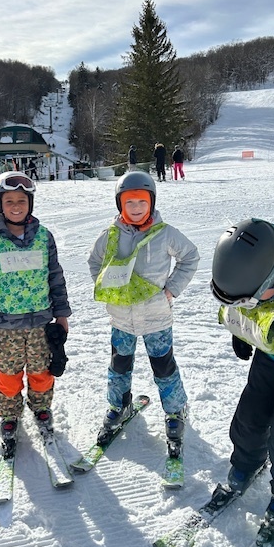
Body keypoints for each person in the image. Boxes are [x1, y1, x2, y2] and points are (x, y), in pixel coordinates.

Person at [87, 171, 199, 453]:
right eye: (129, 203)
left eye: (141, 202)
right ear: (120, 205)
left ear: (151, 202)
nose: (136, 208)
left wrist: (171, 289)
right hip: (122, 319)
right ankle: (118, 406)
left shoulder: (165, 234)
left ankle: (175, 412)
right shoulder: (110, 236)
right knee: (119, 366)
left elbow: (190, 257)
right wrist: (108, 289)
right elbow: (94, 262)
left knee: (163, 366)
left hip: (156, 318)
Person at [211, 218, 274, 542]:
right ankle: (246, 463)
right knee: (249, 417)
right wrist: (244, 330)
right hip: (272, 351)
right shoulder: (266, 242)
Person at [0, 171, 71, 457]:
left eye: (22, 201)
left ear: (30, 203)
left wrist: (61, 313)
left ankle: (41, 409)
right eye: (9, 201)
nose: (16, 206)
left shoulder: (43, 236)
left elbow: (55, 276)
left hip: (41, 322)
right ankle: (9, 416)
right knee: (9, 375)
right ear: (0, 204)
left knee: (41, 372)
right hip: (6, 325)